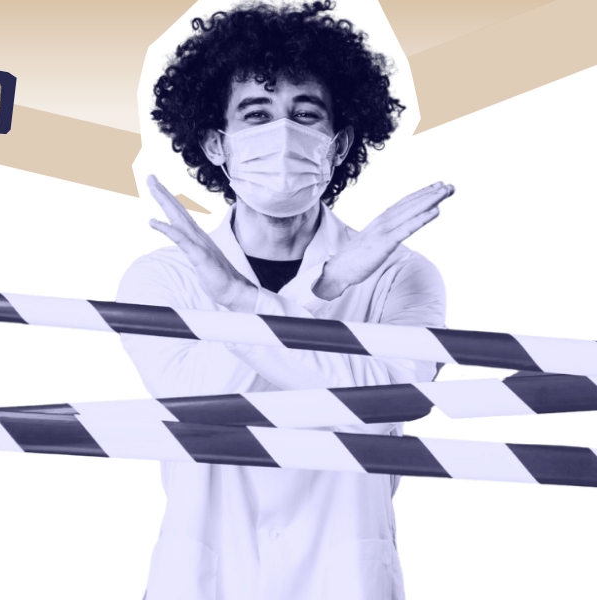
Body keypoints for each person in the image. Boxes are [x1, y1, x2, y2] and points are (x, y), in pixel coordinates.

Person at [117, 1, 454, 598]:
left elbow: (386, 405)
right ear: (216, 143)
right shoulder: (161, 278)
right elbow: (197, 402)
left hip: (345, 576)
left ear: (339, 143)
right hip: (203, 578)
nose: (282, 133)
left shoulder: (403, 276)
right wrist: (321, 289)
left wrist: (244, 305)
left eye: (305, 113)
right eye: (256, 114)